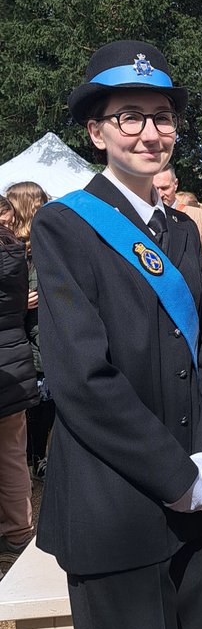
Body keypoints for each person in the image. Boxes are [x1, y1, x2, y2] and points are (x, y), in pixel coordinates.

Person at [31, 41, 202, 629]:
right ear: (96, 131)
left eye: (160, 116)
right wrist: (175, 473)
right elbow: (82, 378)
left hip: (188, 503)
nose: (150, 132)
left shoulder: (178, 225)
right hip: (118, 510)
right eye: (129, 117)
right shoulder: (64, 223)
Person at [5, 180, 54, 477]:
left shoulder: (39, 248)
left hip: (34, 345)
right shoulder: (16, 250)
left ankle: (37, 459)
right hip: (26, 346)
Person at [0, 202, 38, 559]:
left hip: (7, 363)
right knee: (12, 455)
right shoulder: (13, 250)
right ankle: (19, 531)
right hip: (15, 361)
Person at [155, 170, 202, 268]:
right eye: (155, 188)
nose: (160, 194)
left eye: (165, 188)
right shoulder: (144, 216)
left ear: (175, 184)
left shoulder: (198, 215)